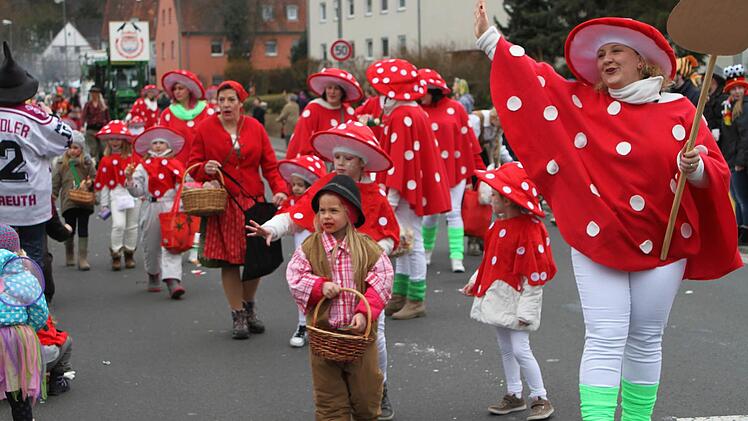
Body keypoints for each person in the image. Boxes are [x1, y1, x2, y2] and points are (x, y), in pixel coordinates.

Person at [474, 3, 742, 419]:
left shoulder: (680, 110)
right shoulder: (582, 103)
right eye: (600, 55)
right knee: (604, 335)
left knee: (646, 337)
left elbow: (716, 171)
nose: (607, 59)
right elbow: (537, 82)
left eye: (616, 51)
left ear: (641, 60)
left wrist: (698, 168)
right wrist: (493, 41)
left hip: (663, 242)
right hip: (599, 240)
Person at [249, 123, 400, 420]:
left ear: (362, 163)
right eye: (337, 157)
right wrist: (271, 228)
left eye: (348, 158)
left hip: (364, 282)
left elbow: (389, 236)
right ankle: (336, 403)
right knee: (327, 346)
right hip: (328, 282)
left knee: (374, 339)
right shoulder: (325, 187)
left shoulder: (376, 195)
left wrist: (376, 250)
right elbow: (297, 214)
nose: (341, 163)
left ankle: (379, 388)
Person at [286, 175, 394, 421]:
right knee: (329, 403)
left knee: (367, 399)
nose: (326, 216)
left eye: (334, 210)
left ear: (351, 214)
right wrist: (319, 286)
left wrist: (364, 313)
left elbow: (383, 278)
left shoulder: (367, 248)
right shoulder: (309, 247)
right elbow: (294, 276)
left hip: (360, 339)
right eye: (322, 211)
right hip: (324, 337)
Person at [188, 80, 288, 339]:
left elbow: (270, 165)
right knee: (229, 261)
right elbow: (193, 165)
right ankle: (238, 314)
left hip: (253, 202)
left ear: (240, 103)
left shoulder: (255, 127)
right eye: (221, 100)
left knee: (256, 259)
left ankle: (249, 305)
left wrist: (279, 189)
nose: (225, 105)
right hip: (224, 203)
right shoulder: (204, 128)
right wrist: (204, 169)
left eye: (231, 100)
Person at [461, 164, 556, 420]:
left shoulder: (530, 229)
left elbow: (535, 276)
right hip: (499, 296)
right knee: (506, 348)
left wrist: (527, 311)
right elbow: (490, 261)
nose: (489, 198)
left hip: (518, 298)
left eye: (493, 194)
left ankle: (540, 397)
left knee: (520, 349)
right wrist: (475, 281)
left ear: (508, 199)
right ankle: (514, 394)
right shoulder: (496, 226)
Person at [366, 58, 451, 320]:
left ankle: (415, 298)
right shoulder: (411, 112)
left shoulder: (403, 116)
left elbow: (400, 162)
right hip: (409, 188)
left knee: (409, 241)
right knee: (403, 240)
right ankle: (401, 294)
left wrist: (390, 198)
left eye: (382, 92)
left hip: (404, 191)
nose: (380, 98)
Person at [0, 41, 73, 272]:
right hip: (31, 204)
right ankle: (34, 303)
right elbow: (66, 139)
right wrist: (50, 115)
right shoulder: (35, 117)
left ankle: (5, 303)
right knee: (32, 256)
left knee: (2, 257)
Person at [418, 68, 486, 273]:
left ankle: (457, 257)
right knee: (429, 215)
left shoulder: (455, 108)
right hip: (428, 171)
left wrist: (478, 170)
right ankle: (425, 253)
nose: (419, 95)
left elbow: (468, 140)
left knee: (454, 212)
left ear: (433, 90)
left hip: (455, 169)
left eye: (423, 91)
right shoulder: (417, 111)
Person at [126, 126, 188, 297]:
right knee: (151, 243)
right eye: (155, 143)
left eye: (162, 142)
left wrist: (181, 205)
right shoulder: (143, 167)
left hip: (171, 207)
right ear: (150, 147)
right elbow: (137, 192)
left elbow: (182, 186)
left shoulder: (175, 164)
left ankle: (173, 280)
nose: (158, 146)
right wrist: (130, 179)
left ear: (168, 146)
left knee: (173, 243)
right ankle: (153, 273)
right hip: (151, 206)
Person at [274, 154, 328, 346]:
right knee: (302, 287)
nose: (296, 188)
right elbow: (284, 218)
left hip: (322, 256)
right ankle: (302, 324)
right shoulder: (292, 203)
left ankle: (323, 325)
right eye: (294, 184)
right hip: (302, 257)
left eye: (301, 184)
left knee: (324, 287)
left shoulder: (322, 205)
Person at [0, 224, 49, 421]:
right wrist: (29, 328)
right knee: (18, 393)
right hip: (16, 339)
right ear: (17, 251)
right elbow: (40, 311)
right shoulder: (25, 277)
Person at [285, 68, 363, 158]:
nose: (332, 92)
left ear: (342, 92)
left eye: (336, 89)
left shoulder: (348, 111)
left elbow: (355, 141)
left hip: (342, 165)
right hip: (317, 163)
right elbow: (303, 139)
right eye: (329, 88)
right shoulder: (313, 108)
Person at [94, 121, 140, 271]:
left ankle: (129, 252)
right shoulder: (105, 160)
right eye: (112, 138)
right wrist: (104, 204)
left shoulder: (133, 158)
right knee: (118, 225)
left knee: (132, 225)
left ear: (124, 140)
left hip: (133, 194)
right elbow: (105, 184)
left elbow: (140, 179)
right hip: (117, 194)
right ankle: (116, 253)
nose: (114, 142)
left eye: (118, 138)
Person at [52, 131, 95, 271]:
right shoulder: (61, 163)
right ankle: (69, 252)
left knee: (83, 227)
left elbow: (95, 178)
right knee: (70, 227)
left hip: (84, 200)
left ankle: (82, 258)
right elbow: (56, 181)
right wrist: (53, 195)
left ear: (81, 148)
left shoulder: (87, 162)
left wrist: (90, 183)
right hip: (68, 200)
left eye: (76, 147)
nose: (72, 151)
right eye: (70, 147)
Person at [719, 65, 748, 246]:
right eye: (734, 88)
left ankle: (745, 231)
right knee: (737, 199)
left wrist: (739, 162)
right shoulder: (729, 107)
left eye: (740, 87)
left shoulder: (745, 107)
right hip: (731, 158)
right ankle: (739, 229)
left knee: (743, 199)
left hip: (739, 161)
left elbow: (745, 137)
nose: (737, 91)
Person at [159, 70, 215, 164]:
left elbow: (214, 137)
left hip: (202, 163)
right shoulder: (167, 114)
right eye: (174, 89)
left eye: (180, 88)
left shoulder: (206, 110)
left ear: (189, 90)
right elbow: (162, 139)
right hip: (177, 165)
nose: (177, 92)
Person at [37, 314, 74, 396]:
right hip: (39, 361)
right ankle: (57, 382)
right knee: (67, 340)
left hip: (13, 363)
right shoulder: (38, 315)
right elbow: (51, 338)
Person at [81, 86, 110, 161]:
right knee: (93, 149)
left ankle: (103, 162)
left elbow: (107, 117)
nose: (94, 94)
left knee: (104, 148)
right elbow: (83, 115)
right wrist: (82, 125)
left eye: (95, 93)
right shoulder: (88, 104)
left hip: (102, 129)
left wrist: (108, 127)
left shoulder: (103, 104)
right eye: (92, 93)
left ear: (98, 94)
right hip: (91, 129)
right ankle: (95, 165)